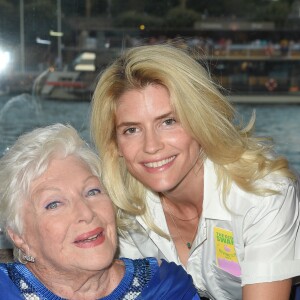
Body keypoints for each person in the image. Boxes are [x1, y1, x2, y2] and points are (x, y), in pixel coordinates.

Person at [90, 44, 300, 300]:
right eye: (131, 130)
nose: (152, 146)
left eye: (168, 122)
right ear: (116, 145)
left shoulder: (263, 195)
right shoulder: (121, 209)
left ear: (200, 121)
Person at [0, 123, 200, 300]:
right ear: (19, 236)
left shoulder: (164, 287)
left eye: (92, 191)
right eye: (54, 204)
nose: (86, 213)